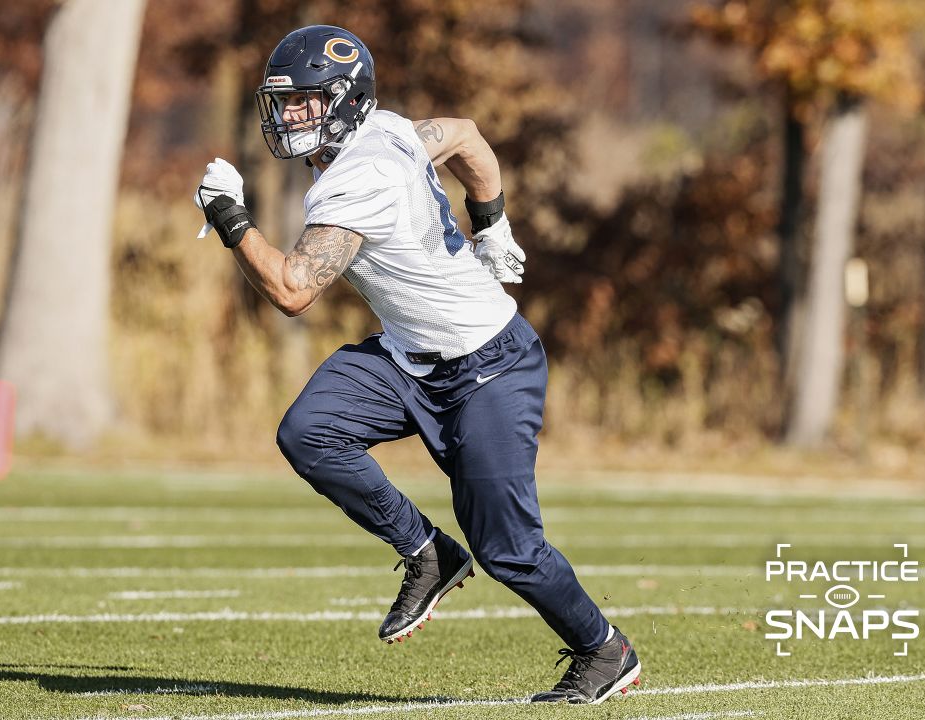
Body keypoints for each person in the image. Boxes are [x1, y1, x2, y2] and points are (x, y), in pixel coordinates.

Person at [194, 25, 640, 704]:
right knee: (309, 429)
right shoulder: (390, 131)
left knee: (510, 550)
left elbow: (292, 289)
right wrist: (489, 219)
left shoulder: (358, 177)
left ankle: (604, 650)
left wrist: (230, 218)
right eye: (284, 104)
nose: (288, 118)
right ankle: (428, 551)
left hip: (488, 367)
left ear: (345, 100)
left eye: (305, 103)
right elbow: (463, 134)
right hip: (412, 358)